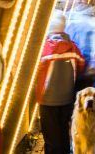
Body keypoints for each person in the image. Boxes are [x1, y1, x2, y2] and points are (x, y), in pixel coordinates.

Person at [36, 10, 85, 154]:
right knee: (64, 131)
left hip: (47, 99)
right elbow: (81, 65)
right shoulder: (74, 48)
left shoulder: (44, 48)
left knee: (51, 135)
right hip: (67, 97)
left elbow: (35, 70)